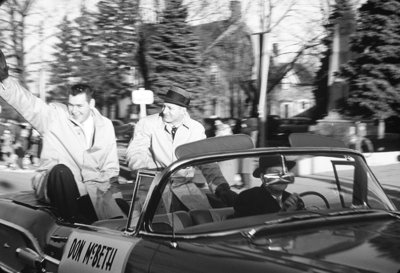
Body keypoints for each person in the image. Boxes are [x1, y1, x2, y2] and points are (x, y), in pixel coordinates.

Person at [0, 49, 124, 223]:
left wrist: (115, 196)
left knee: (122, 210)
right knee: (61, 171)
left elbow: (111, 166)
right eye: (71, 105)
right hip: (55, 182)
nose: (74, 111)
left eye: (80, 106)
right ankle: (70, 225)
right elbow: (29, 104)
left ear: (91, 104)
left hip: (92, 189)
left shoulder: (105, 126)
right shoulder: (55, 117)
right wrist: (4, 79)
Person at [126, 85, 237, 209]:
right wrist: (145, 172)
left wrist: (221, 187)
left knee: (204, 220)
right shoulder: (147, 123)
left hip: (185, 188)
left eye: (170, 108)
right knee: (153, 224)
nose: (164, 111)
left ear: (183, 110)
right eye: (164, 106)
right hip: (153, 187)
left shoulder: (195, 129)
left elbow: (206, 160)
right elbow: (136, 151)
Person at [233, 154, 304, 217]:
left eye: (285, 173)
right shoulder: (248, 198)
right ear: (262, 177)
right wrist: (284, 212)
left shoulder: (292, 199)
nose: (282, 177)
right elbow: (251, 229)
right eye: (275, 173)